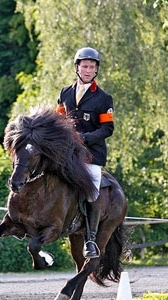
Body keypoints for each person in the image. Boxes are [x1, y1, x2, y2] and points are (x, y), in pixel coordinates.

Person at [56, 47, 114, 259]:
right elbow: (59, 121)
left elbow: (107, 129)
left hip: (91, 155)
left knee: (91, 191)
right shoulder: (65, 93)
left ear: (96, 70)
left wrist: (84, 139)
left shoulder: (103, 98)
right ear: (77, 67)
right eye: (85, 66)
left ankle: (90, 239)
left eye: (92, 67)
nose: (88, 70)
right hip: (67, 153)